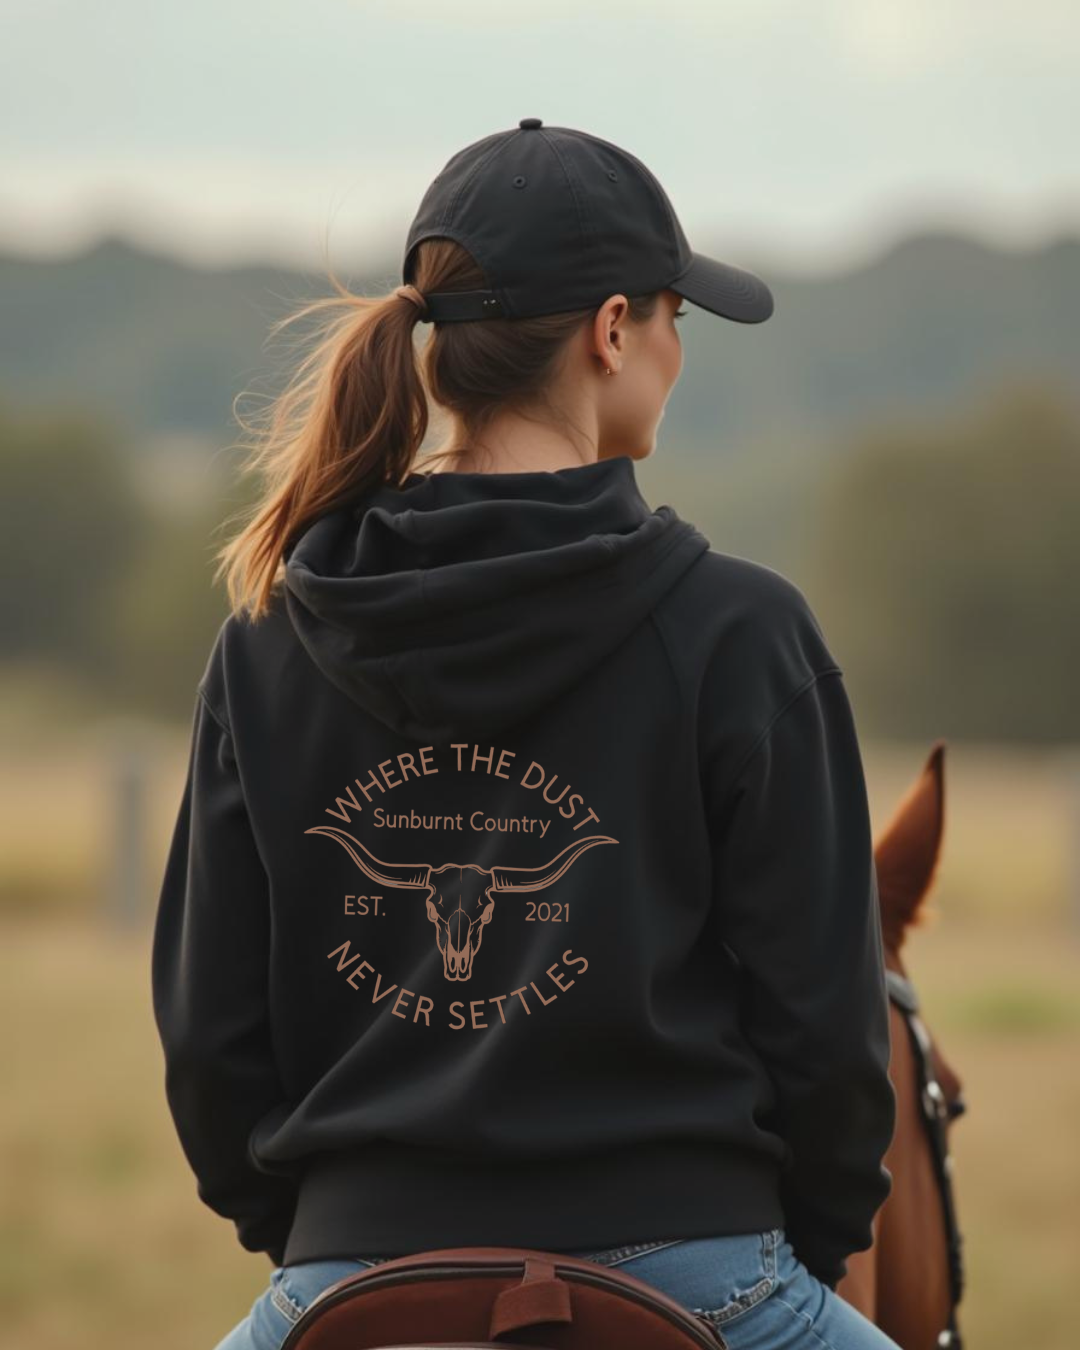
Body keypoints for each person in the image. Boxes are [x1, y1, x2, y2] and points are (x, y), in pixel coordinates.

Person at [151, 119, 900, 1350]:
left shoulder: (267, 642)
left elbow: (210, 1042)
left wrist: (332, 1241)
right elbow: (830, 1040)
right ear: (613, 332)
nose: (676, 347)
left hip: (346, 1270)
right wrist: (790, 1257)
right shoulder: (743, 631)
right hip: (700, 1264)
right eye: (675, 316)